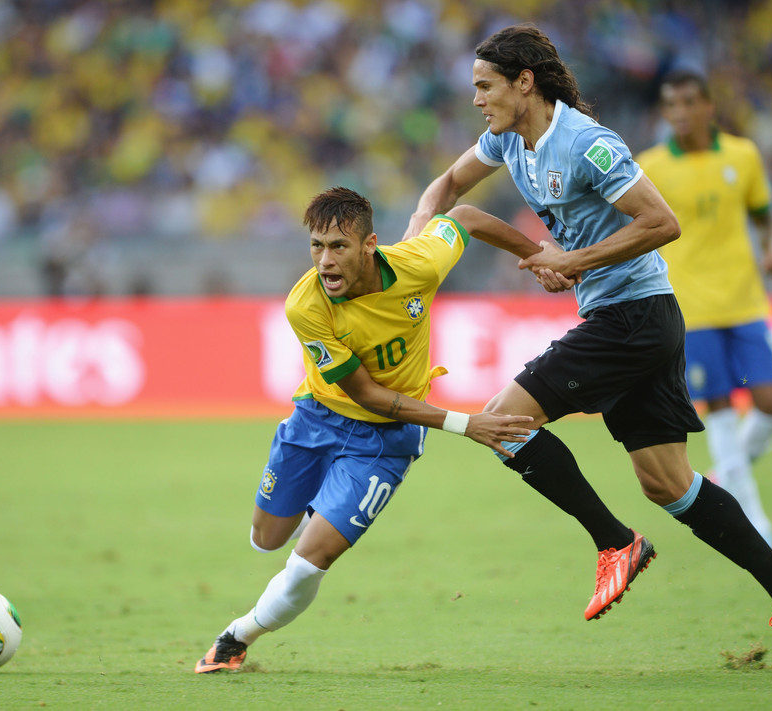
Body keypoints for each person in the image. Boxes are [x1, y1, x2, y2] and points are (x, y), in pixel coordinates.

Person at [404, 24, 772, 669]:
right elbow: (445, 192)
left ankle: (615, 543)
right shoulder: (506, 139)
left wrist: (574, 260)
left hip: (632, 317)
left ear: (525, 83)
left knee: (502, 422)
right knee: (668, 483)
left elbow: (662, 222)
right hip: (636, 319)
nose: (476, 99)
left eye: (485, 86)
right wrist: (414, 246)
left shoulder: (585, 144)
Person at [195, 186, 553, 673]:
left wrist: (541, 257)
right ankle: (318, 506)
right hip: (316, 420)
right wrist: (466, 424)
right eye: (316, 246)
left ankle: (236, 638)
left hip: (384, 442)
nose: (325, 261)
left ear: (370, 245)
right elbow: (366, 393)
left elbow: (466, 217)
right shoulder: (306, 306)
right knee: (265, 539)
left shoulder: (417, 265)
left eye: (338, 247)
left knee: (308, 561)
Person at [636, 70, 772, 548]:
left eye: (687, 103)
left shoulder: (742, 155)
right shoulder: (650, 165)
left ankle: (727, 470)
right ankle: (757, 525)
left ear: (707, 106)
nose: (679, 113)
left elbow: (763, 216)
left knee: (771, 406)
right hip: (691, 306)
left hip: (744, 299)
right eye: (670, 106)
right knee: (719, 410)